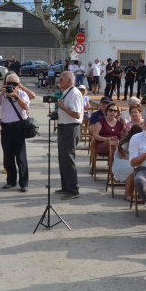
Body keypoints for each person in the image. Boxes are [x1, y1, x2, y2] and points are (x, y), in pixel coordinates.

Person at [0, 73, 35, 191]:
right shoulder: (2, 95)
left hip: (19, 127)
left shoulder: (22, 94)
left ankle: (24, 183)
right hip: (6, 127)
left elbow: (25, 107)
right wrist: (1, 93)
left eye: (14, 84)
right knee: (8, 156)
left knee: (20, 157)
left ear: (18, 85)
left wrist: (16, 96)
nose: (12, 87)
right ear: (5, 84)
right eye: (9, 84)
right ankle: (11, 180)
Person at [55, 71, 84, 200]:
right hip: (63, 126)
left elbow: (76, 114)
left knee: (68, 158)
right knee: (63, 158)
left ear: (69, 81)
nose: (59, 82)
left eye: (61, 79)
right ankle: (66, 186)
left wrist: (62, 107)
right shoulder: (67, 92)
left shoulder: (74, 93)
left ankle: (73, 190)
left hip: (70, 128)